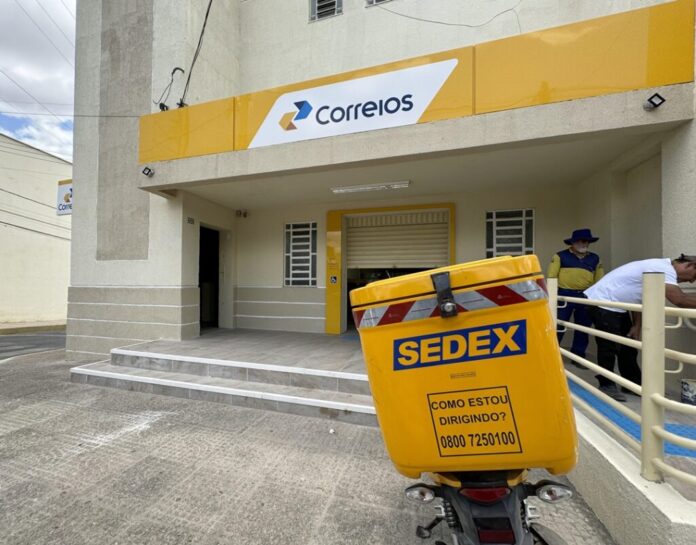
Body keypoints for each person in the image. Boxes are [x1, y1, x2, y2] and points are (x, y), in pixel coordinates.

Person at [584, 254, 696, 401]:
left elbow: (637, 298)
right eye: (694, 276)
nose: (691, 281)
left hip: (616, 305)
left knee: (628, 347)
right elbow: (679, 300)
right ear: (689, 265)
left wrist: (637, 325)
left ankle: (632, 384)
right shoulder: (663, 268)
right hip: (602, 302)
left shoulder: (659, 267)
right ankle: (606, 384)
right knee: (608, 346)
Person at [547, 229, 604, 360]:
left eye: (587, 241)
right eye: (582, 241)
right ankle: (552, 356)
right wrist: (552, 297)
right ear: (573, 242)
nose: (585, 244)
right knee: (558, 325)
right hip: (563, 295)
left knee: (583, 328)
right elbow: (551, 277)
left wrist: (596, 298)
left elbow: (599, 281)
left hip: (585, 296)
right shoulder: (560, 256)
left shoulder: (595, 258)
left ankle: (578, 356)